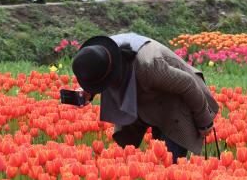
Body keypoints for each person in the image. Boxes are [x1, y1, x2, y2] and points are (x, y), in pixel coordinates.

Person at [70, 33, 218, 162]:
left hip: (174, 105)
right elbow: (102, 74)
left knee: (171, 165)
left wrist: (204, 121)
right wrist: (90, 90)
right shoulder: (104, 56)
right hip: (148, 103)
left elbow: (188, 84)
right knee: (153, 163)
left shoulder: (150, 67)